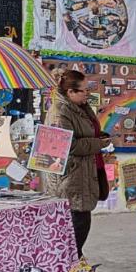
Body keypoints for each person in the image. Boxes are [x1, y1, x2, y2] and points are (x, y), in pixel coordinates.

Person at [45, 69, 111, 258]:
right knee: (77, 224)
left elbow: (86, 133)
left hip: (86, 170)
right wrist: (98, 144)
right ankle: (70, 269)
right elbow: (68, 146)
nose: (87, 94)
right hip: (71, 176)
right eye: (84, 90)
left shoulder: (81, 106)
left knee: (82, 223)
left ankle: (75, 265)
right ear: (70, 92)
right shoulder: (60, 112)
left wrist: (99, 137)